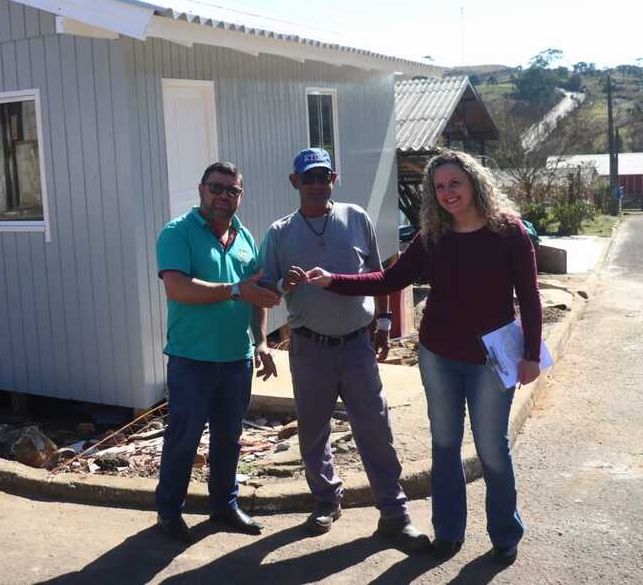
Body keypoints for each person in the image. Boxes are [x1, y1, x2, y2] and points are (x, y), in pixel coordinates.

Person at [305, 149, 542, 567]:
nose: (448, 193)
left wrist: (530, 354)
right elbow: (390, 278)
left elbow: (529, 295)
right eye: (439, 187)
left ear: (474, 183)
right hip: (439, 356)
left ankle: (505, 532)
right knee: (445, 446)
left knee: (492, 450)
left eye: (455, 183)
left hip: (491, 359)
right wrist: (333, 281)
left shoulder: (510, 232)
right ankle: (449, 532)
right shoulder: (433, 236)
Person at [260, 147, 430, 552]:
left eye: (323, 177)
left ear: (333, 180)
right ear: (294, 182)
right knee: (313, 430)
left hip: (357, 345)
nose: (317, 185)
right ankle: (325, 500)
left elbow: (382, 274)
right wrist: (286, 287)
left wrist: (385, 325)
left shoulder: (356, 218)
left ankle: (394, 513)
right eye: (309, 178)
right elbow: (264, 291)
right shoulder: (280, 232)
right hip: (309, 347)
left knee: (375, 429)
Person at [154, 161, 281, 544]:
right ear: (201, 189)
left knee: (229, 438)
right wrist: (234, 289)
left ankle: (224, 506)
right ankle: (170, 512)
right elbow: (177, 288)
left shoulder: (245, 238)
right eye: (217, 187)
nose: (223, 196)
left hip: (236, 360)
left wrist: (260, 341)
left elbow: (256, 295)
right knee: (184, 438)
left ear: (240, 196)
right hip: (191, 360)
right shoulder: (178, 233)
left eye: (232, 190)